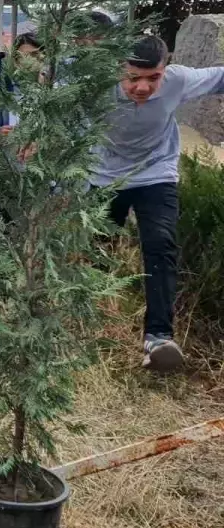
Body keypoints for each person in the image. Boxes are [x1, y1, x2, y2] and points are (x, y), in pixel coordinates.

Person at [94, 35, 224, 372]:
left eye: (153, 78)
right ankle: (90, 320)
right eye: (133, 78)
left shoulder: (178, 78)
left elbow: (220, 76)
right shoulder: (94, 81)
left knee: (161, 245)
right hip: (105, 175)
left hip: (156, 172)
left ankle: (158, 338)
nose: (142, 88)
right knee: (98, 249)